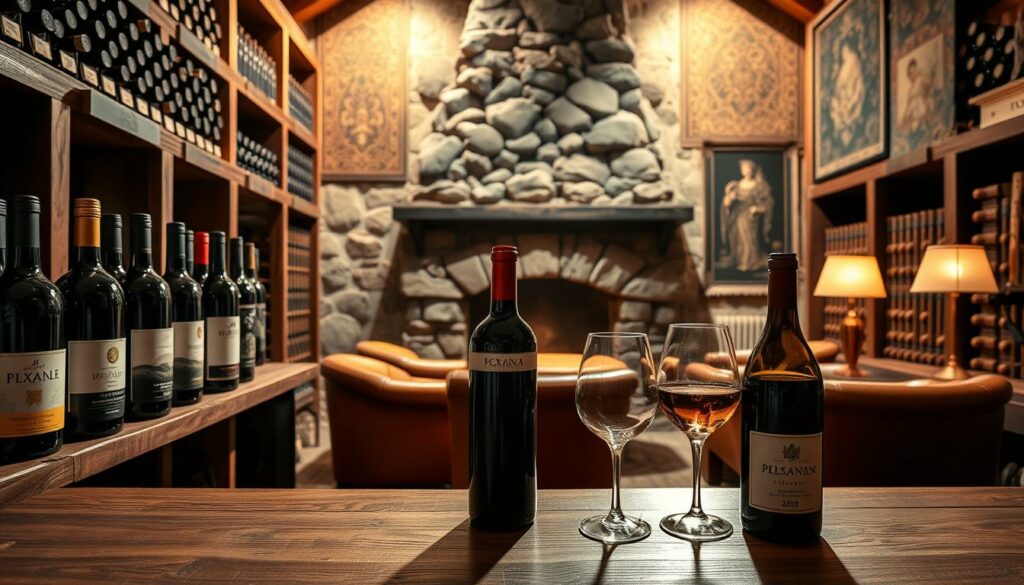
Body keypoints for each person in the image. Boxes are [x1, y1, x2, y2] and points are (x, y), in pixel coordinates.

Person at [720, 159, 774, 272]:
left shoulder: (759, 185)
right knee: (739, 239)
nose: (745, 170)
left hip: (751, 217)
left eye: (748, 168)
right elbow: (726, 203)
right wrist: (730, 198)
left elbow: (767, 202)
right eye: (743, 168)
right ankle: (741, 260)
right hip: (737, 215)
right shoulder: (736, 185)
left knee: (749, 239)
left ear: (752, 169)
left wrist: (758, 209)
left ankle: (751, 261)